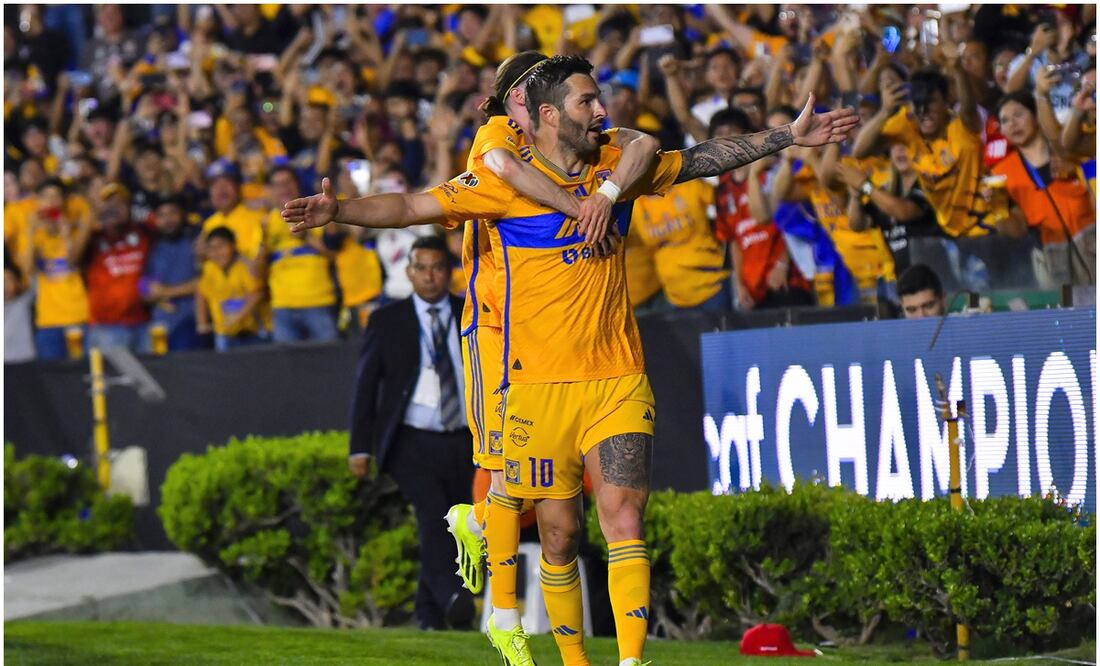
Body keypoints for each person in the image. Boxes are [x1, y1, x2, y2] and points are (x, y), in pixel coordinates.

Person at [284, 54, 857, 666]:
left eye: (600, 99)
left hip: (616, 377)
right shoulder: (500, 179)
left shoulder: (617, 165)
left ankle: (632, 661)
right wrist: (339, 210)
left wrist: (785, 138)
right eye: (588, 102)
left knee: (625, 517)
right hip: (537, 385)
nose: (602, 112)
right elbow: (409, 207)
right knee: (559, 536)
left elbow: (700, 158)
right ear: (548, 113)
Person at [440, 50, 661, 666]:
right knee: (507, 471)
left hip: (540, 333)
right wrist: (581, 207)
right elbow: (499, 165)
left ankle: (483, 531)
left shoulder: (583, 144)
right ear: (515, 97)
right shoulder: (498, 132)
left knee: (532, 493)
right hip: (493, 323)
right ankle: (504, 615)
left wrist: (605, 191)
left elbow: (646, 145)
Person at [346, 234, 476, 632]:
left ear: (449, 271)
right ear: (409, 272)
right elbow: (366, 386)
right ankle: (454, 594)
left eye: (438, 267)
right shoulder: (387, 320)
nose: (430, 276)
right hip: (411, 438)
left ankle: (429, 615)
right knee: (433, 515)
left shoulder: (470, 311)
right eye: (422, 268)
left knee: (459, 520)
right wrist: (359, 448)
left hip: (464, 436)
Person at [990, 91, 1096, 286]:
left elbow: (1094, 169)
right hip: (1051, 258)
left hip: (1092, 240)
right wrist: (997, 207)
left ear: (1036, 115)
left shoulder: (1066, 147)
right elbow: (1017, 232)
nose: (1013, 124)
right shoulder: (1001, 174)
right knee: (1063, 315)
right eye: (1005, 120)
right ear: (1002, 131)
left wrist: (1078, 170)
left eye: (1019, 115)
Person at [258, 165, 339, 344]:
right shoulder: (265, 223)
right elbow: (256, 273)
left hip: (318, 302)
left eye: (288, 182)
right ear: (270, 190)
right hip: (283, 306)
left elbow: (335, 256)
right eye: (277, 184)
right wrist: (264, 243)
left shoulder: (317, 212)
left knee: (331, 363)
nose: (284, 188)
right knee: (288, 370)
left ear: (297, 184)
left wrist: (307, 238)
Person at [19, 179, 90, 360]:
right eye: (46, 197)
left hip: (78, 317)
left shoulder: (75, 232)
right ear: (38, 202)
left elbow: (74, 261)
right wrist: (31, 232)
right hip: (48, 321)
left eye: (56, 197)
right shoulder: (34, 236)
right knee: (53, 381)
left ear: (64, 201)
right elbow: (26, 270)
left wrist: (65, 233)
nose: (51, 202)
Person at [85, 183, 152, 353]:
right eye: (110, 204)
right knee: (113, 379)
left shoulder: (142, 233)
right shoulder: (93, 239)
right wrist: (94, 215)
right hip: (107, 327)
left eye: (121, 204)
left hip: (141, 323)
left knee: (148, 378)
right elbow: (71, 258)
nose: (116, 208)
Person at [143, 197, 201, 352]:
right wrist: (148, 293)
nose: (168, 220)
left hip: (190, 322)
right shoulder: (152, 248)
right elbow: (143, 284)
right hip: (159, 326)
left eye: (172, 213)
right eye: (162, 215)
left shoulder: (195, 243)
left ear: (182, 215)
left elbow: (204, 281)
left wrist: (167, 291)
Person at [195, 226, 264, 352]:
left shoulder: (244, 267)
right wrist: (202, 323)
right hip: (223, 333)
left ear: (233, 246)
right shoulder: (209, 269)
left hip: (250, 333)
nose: (217, 253)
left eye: (221, 246)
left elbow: (257, 294)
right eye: (212, 248)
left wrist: (237, 317)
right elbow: (201, 293)